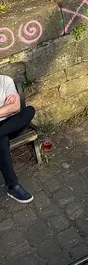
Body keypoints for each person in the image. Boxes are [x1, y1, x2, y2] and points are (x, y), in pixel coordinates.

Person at [0, 74, 35, 203]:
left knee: (29, 110)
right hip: (3, 132)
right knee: (2, 141)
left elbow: (16, 107)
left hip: (11, 124)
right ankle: (13, 186)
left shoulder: (5, 80)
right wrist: (5, 108)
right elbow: (10, 108)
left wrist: (10, 108)